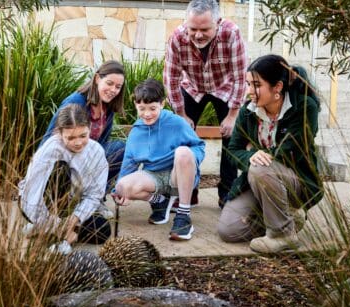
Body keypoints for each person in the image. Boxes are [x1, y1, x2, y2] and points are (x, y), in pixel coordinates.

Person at [217, 54, 324, 253]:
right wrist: (249, 155)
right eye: (248, 84)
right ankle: (288, 218)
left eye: (256, 85)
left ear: (278, 87)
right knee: (229, 231)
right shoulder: (247, 112)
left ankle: (282, 234)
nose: (249, 91)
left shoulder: (304, 107)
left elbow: (290, 152)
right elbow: (232, 151)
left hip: (295, 181)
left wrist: (253, 152)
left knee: (260, 167)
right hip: (261, 179)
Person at [163, 0, 247, 209]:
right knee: (182, 137)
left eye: (204, 29)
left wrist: (232, 115)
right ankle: (187, 191)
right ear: (186, 24)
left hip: (224, 87)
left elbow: (240, 77)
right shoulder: (177, 37)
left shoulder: (231, 33)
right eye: (193, 29)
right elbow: (171, 78)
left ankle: (226, 194)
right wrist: (181, 113)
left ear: (217, 22)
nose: (198, 35)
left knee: (232, 138)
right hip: (192, 87)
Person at [112, 79, 205, 241]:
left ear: (162, 104)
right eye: (142, 109)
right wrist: (118, 192)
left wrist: (188, 163)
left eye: (152, 108)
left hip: (178, 176)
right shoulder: (136, 131)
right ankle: (160, 202)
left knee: (183, 152)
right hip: (154, 177)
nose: (147, 114)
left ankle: (183, 215)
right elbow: (129, 162)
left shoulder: (176, 122)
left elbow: (199, 146)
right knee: (122, 186)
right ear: (135, 105)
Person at [19, 104, 112, 252]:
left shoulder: (96, 151)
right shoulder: (50, 150)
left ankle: (45, 232)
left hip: (72, 207)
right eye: (70, 137)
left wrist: (75, 220)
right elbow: (32, 196)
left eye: (83, 135)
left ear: (89, 129)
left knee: (102, 230)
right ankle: (47, 229)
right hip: (42, 206)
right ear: (59, 133)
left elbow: (94, 194)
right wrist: (55, 227)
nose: (78, 142)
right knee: (60, 170)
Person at [41, 60, 125, 189]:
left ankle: (96, 194)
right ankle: (66, 197)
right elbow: (50, 140)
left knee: (120, 148)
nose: (113, 90)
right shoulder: (75, 103)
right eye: (109, 83)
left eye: (118, 87)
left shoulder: (108, 108)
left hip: (88, 157)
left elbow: (101, 144)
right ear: (97, 78)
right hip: (66, 158)